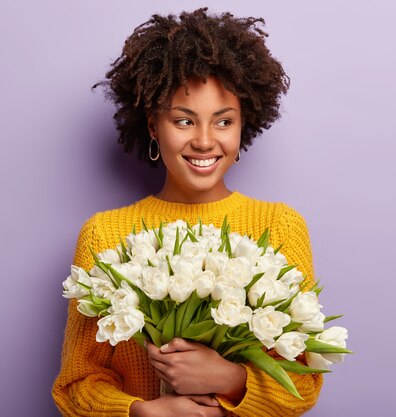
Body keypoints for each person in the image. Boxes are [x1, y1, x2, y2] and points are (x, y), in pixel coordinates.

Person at [52, 8, 323, 417]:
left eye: (223, 122)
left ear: (242, 125)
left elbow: (303, 381)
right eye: (183, 120)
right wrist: (143, 411)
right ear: (153, 125)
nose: (204, 141)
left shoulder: (279, 226)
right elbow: (75, 385)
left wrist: (229, 379)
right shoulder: (105, 235)